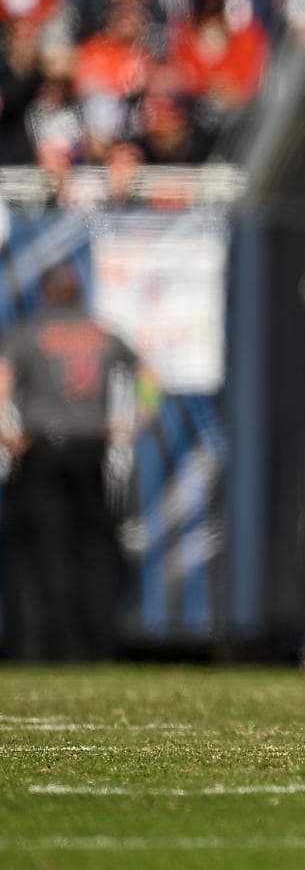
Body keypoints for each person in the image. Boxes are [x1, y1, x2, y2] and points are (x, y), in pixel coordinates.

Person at [0, 260, 153, 661]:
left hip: (43, 450)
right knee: (94, 550)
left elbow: (0, 382)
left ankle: (45, 645)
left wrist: (6, 435)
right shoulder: (102, 333)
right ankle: (94, 645)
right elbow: (150, 377)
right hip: (92, 450)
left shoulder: (28, 331)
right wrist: (136, 422)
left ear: (44, 293)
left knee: (44, 550)